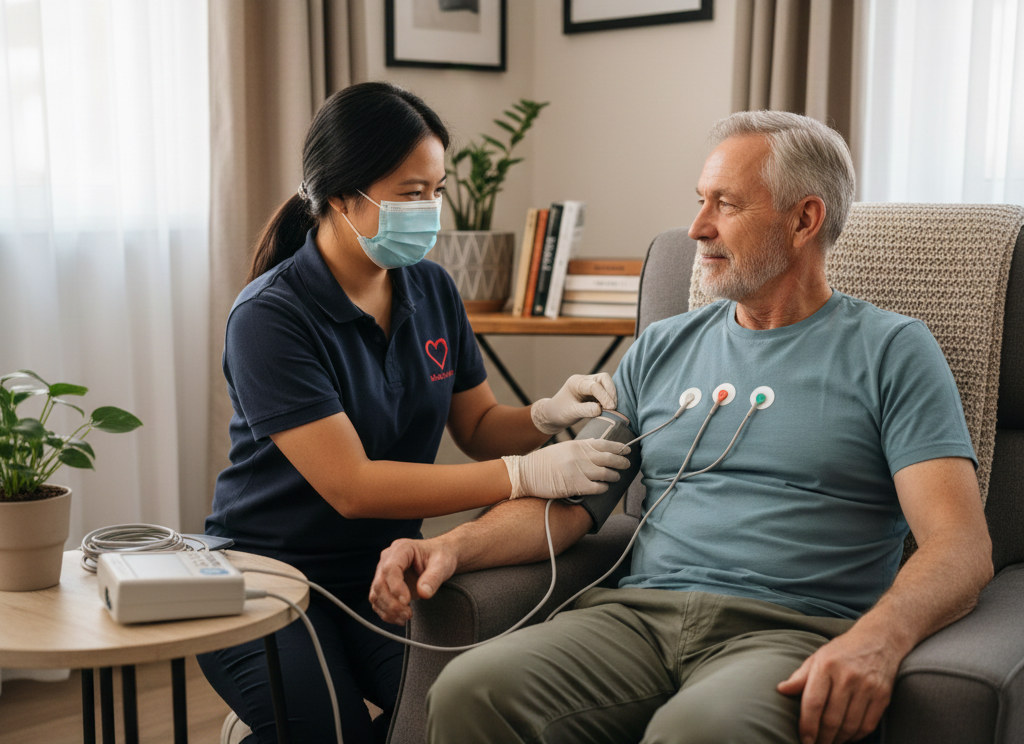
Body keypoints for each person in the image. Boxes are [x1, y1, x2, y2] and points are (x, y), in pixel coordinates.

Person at [369, 110, 995, 744]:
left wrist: (879, 640)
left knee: (699, 731)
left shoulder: (892, 352)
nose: (698, 228)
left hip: (789, 632)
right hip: (635, 621)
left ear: (805, 219)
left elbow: (960, 546)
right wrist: (453, 546)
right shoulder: (662, 347)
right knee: (469, 691)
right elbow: (567, 505)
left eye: (726, 204)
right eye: (701, 201)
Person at [198, 81, 631, 744]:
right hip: (265, 575)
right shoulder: (269, 316)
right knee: (331, 733)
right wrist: (524, 475)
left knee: (456, 713)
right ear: (340, 196)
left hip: (381, 572)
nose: (429, 210)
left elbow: (478, 427)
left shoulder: (432, 288)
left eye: (436, 191)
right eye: (410, 193)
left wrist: (546, 414)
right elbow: (353, 487)